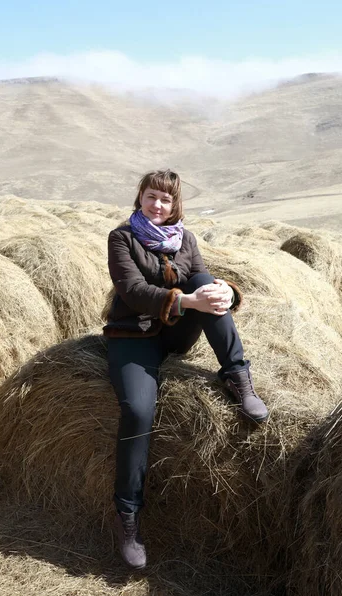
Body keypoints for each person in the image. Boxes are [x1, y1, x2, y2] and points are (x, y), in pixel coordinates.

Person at [103, 169, 268, 570]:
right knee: (139, 411)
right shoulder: (122, 238)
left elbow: (200, 282)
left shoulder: (186, 240)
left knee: (209, 280)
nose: (157, 205)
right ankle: (128, 516)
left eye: (165, 199)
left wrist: (226, 292)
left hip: (174, 334)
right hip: (132, 337)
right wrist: (189, 302)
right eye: (151, 197)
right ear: (139, 197)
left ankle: (235, 373)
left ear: (175, 204)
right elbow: (133, 291)